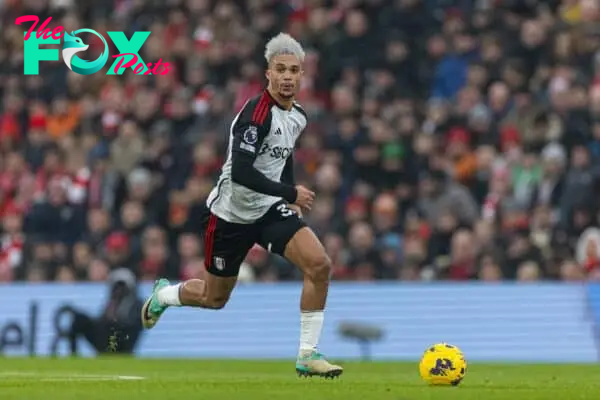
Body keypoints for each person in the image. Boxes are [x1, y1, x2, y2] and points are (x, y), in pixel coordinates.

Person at [141, 33, 342, 378]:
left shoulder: (298, 116)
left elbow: (286, 153)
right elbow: (242, 174)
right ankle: (166, 294)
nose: (288, 76)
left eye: (294, 70)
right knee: (213, 298)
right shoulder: (256, 114)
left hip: (266, 210)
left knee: (319, 265)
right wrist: (290, 193)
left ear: (302, 75)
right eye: (280, 69)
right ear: (268, 73)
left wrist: (285, 196)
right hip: (229, 216)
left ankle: (308, 355)